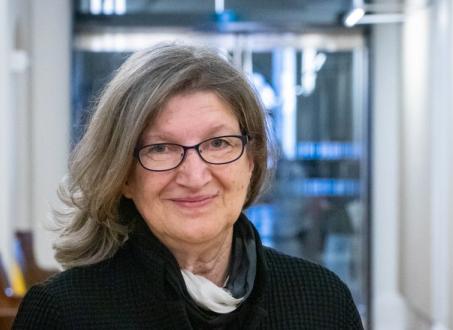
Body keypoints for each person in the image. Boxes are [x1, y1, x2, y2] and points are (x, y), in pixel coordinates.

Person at [13, 43, 363, 329]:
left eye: (218, 144)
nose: (194, 176)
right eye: (161, 148)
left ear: (251, 161)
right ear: (122, 177)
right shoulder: (63, 313)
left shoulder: (323, 301)